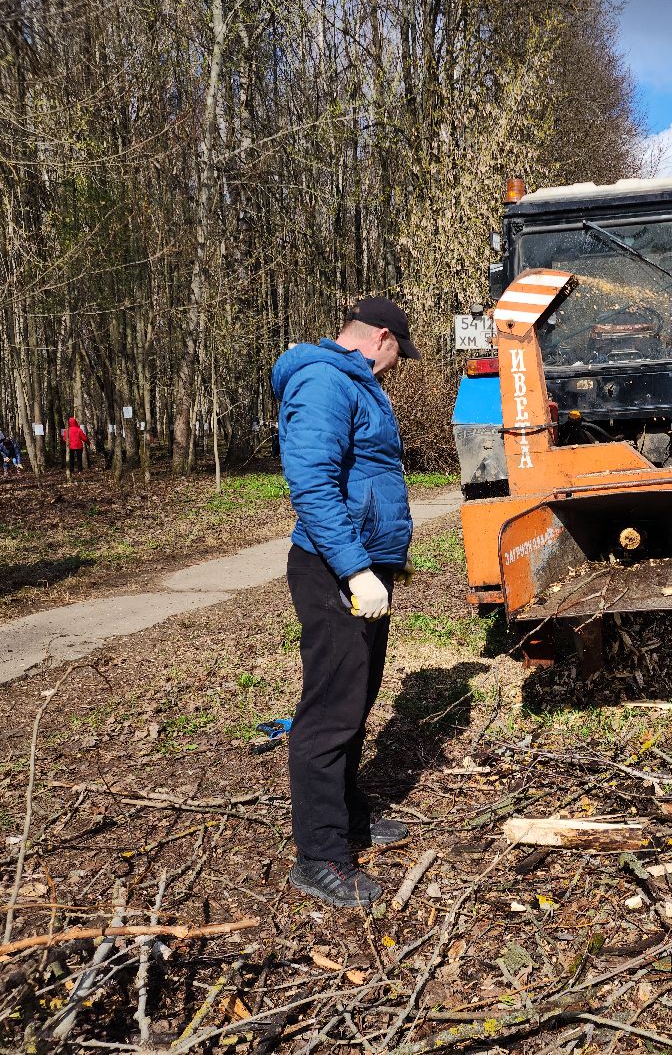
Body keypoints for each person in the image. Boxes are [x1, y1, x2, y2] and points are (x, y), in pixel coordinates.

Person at [271, 297, 421, 908]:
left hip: (361, 565)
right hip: (333, 567)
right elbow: (309, 479)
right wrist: (356, 568)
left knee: (357, 696)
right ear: (381, 337)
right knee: (332, 705)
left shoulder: (352, 382)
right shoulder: (324, 380)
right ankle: (320, 855)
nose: (396, 365)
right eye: (397, 354)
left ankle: (350, 814)